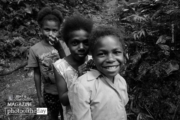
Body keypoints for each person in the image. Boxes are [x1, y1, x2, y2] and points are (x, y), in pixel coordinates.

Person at [69, 26, 129, 120]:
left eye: (116, 52)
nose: (110, 59)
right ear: (93, 56)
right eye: (102, 54)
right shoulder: (82, 86)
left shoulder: (121, 81)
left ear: (123, 53)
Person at [26, 6, 70, 120]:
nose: (51, 33)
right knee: (52, 115)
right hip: (49, 93)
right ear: (40, 29)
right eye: (47, 29)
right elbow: (37, 73)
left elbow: (68, 66)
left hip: (67, 91)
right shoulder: (34, 49)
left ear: (59, 30)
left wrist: (59, 47)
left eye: (54, 30)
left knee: (68, 115)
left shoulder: (64, 45)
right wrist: (39, 95)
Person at [53, 14, 93, 120]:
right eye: (75, 43)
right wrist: (79, 79)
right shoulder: (60, 67)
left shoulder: (93, 61)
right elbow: (64, 101)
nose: (81, 47)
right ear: (67, 43)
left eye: (86, 42)